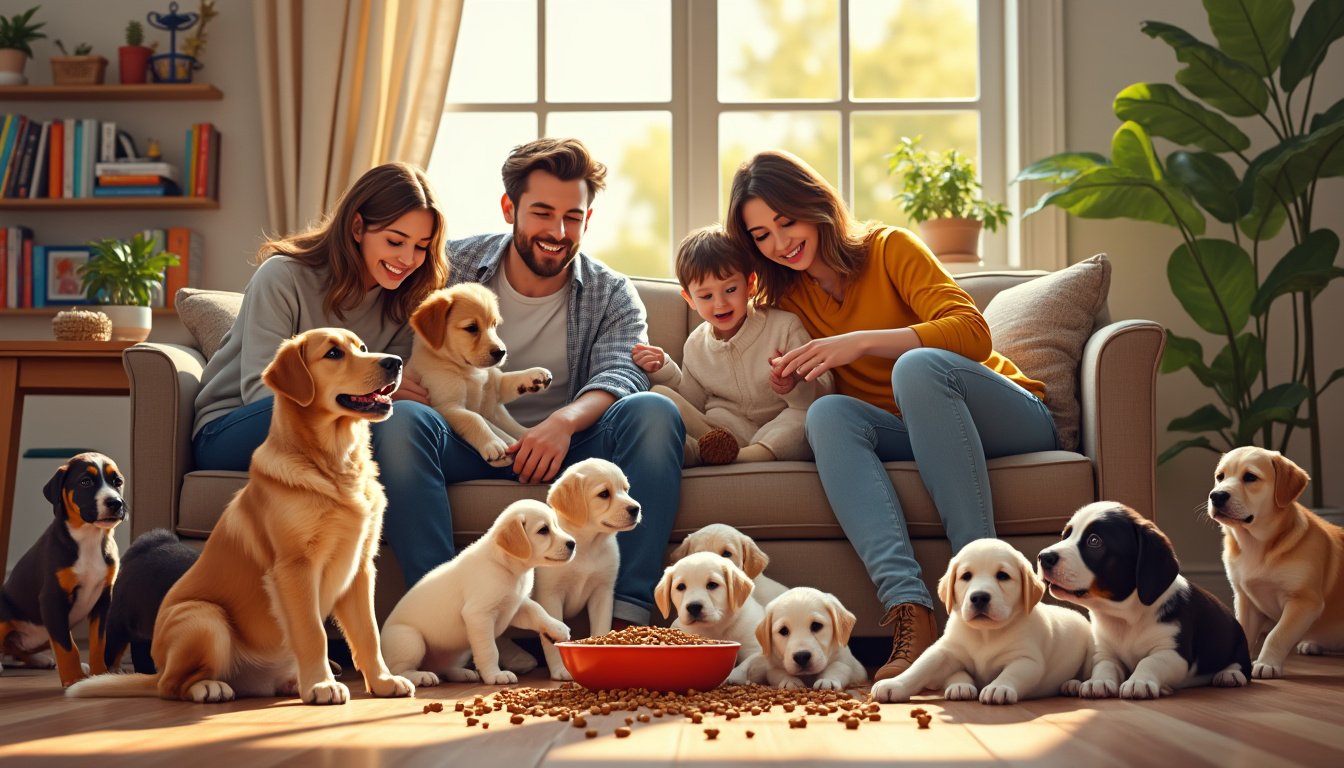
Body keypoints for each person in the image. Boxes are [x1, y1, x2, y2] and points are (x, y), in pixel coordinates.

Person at [725, 150, 1058, 680]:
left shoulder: (888, 248)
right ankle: (910, 610)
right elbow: (812, 384)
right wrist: (793, 380)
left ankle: (983, 594)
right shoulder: (786, 298)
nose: (780, 242)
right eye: (762, 235)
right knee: (828, 414)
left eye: (786, 221)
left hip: (1005, 416)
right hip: (911, 431)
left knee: (916, 366)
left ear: (816, 206)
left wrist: (860, 343)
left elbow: (973, 332)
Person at [382, 137, 684, 627]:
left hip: (572, 454)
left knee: (655, 411)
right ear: (510, 208)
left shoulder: (611, 293)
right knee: (403, 421)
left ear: (587, 219)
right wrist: (396, 380)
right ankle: (447, 619)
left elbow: (623, 370)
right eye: (542, 212)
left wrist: (563, 423)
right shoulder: (450, 267)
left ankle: (627, 620)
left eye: (572, 216)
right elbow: (388, 328)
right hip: (464, 437)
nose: (557, 230)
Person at [192, 160, 451, 582]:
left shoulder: (407, 299)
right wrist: (370, 399)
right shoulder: (283, 276)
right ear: (357, 228)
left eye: (421, 247)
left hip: (335, 436)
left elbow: (402, 397)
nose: (407, 259)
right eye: (395, 240)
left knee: (403, 429)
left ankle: (441, 608)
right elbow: (260, 391)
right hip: (238, 426)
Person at [631, 225, 832, 466]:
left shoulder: (784, 326)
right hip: (725, 431)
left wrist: (794, 383)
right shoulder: (695, 345)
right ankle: (706, 450)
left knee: (805, 419)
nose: (720, 304)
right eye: (706, 296)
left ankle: (736, 458)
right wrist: (665, 369)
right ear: (689, 299)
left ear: (750, 285)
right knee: (659, 396)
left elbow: (822, 391)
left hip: (778, 426)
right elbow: (693, 402)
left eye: (730, 290)